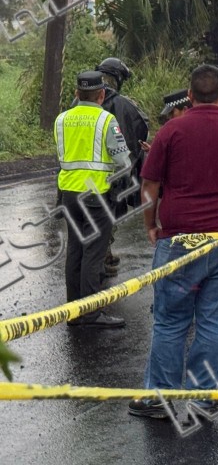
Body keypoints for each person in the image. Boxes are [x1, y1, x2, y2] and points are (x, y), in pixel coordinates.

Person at [129, 64, 218, 419]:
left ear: (189, 96)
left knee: (170, 321)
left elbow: (150, 184)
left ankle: (159, 399)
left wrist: (150, 223)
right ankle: (204, 398)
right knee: (213, 322)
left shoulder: (171, 131)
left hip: (178, 241)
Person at [55, 71, 131, 328]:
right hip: (96, 196)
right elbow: (123, 162)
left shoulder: (61, 119)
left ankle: (73, 312)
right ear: (102, 95)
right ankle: (90, 313)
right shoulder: (106, 120)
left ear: (77, 94)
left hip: (69, 194)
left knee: (75, 250)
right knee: (93, 254)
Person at [95, 58, 150, 276]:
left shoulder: (80, 100)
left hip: (82, 173)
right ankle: (98, 264)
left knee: (97, 218)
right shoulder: (123, 104)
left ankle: (104, 255)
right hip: (111, 172)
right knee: (106, 216)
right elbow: (140, 129)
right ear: (117, 78)